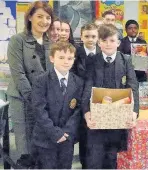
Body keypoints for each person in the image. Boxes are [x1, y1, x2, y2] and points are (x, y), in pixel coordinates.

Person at [81, 24, 139, 169]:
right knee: (94, 160)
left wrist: (134, 112)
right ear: (99, 42)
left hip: (118, 121)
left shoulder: (126, 60)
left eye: (112, 40)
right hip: (97, 121)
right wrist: (86, 113)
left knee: (113, 160)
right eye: (104, 40)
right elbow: (87, 88)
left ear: (118, 43)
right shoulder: (92, 61)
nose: (108, 44)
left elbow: (133, 87)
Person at [6, 1, 54, 168]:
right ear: (30, 17)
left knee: (41, 143)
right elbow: (18, 75)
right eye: (40, 16)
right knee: (25, 145)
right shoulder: (17, 40)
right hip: (22, 100)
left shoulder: (49, 42)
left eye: (48, 17)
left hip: (43, 101)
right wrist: (35, 100)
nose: (44, 21)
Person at [31, 41, 83, 169]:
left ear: (74, 60)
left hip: (67, 138)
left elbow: (78, 110)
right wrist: (55, 133)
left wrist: (66, 132)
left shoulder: (78, 82)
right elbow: (39, 110)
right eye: (61, 57)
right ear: (52, 58)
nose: (66, 61)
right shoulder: (41, 80)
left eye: (70, 58)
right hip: (45, 139)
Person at [69, 23, 100, 168]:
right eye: (87, 36)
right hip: (81, 101)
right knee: (84, 137)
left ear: (98, 37)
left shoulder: (102, 53)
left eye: (93, 36)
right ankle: (84, 164)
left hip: (100, 101)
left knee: (98, 137)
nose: (90, 39)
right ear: (81, 37)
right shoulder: (75, 54)